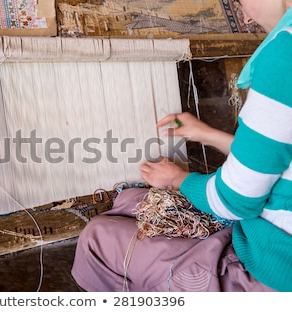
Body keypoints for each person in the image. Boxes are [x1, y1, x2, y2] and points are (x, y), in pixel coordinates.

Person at [71, 0, 292, 292]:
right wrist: (207, 134)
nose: (247, 18)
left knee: (97, 238)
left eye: (241, 2)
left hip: (275, 271)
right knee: (130, 201)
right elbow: (277, 155)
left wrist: (177, 179)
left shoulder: (284, 54)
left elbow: (233, 202)